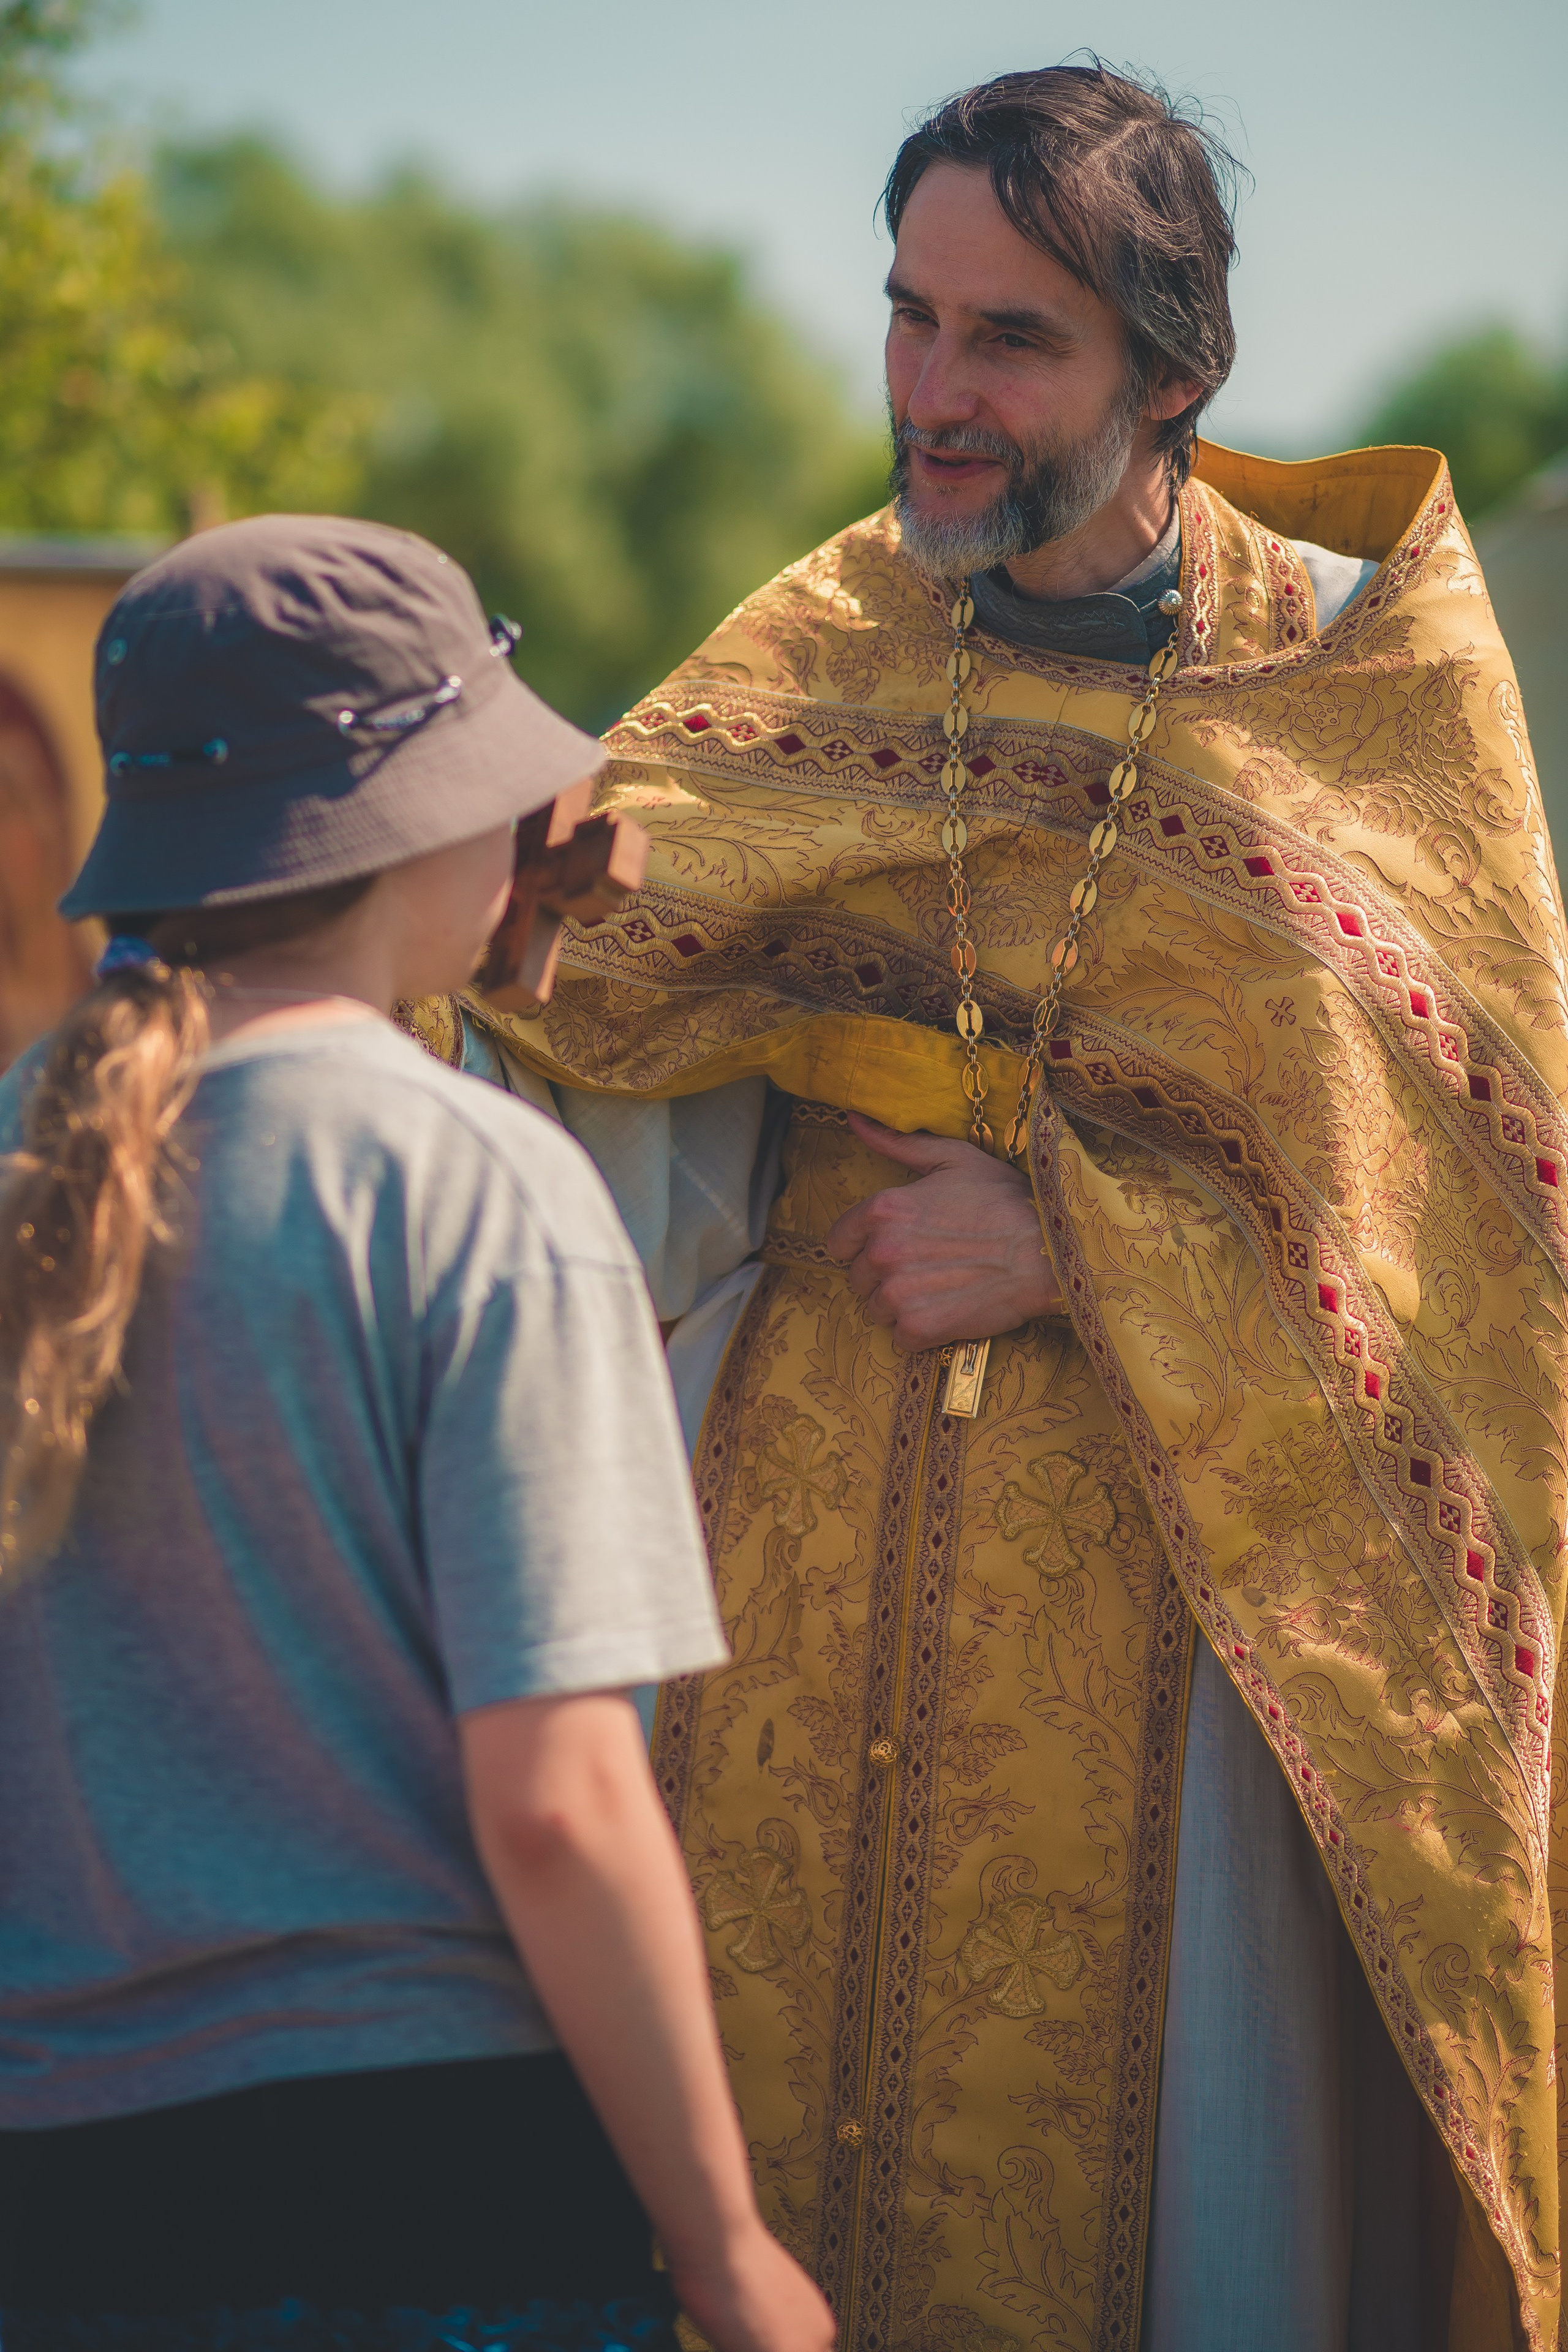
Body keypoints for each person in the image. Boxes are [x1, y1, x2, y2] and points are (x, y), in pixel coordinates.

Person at [417, 61, 1568, 2352]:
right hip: (785, 1549)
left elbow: (1475, 1234)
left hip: (1188, 1620)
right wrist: (448, 935)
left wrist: (1088, 1254)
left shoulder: (1353, 685)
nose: (933, 400)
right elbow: (571, 1002)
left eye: (1010, 342)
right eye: (909, 319)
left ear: (1175, 375)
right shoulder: (831, 634)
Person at [0, 516, 836, 2352]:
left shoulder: (20, 1159)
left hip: (56, 2204)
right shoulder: (478, 1192)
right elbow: (557, 1811)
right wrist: (725, 2253)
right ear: (427, 811)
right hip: (434, 2206)